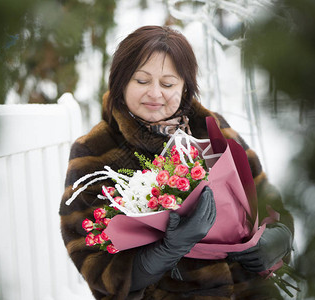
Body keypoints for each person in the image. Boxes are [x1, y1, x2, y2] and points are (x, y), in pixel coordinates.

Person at [59, 25, 294, 299]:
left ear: (185, 87)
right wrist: (164, 252)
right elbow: (94, 263)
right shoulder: (94, 152)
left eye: (168, 84)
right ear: (121, 82)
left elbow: (271, 205)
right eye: (142, 81)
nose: (155, 94)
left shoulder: (215, 130)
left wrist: (278, 238)